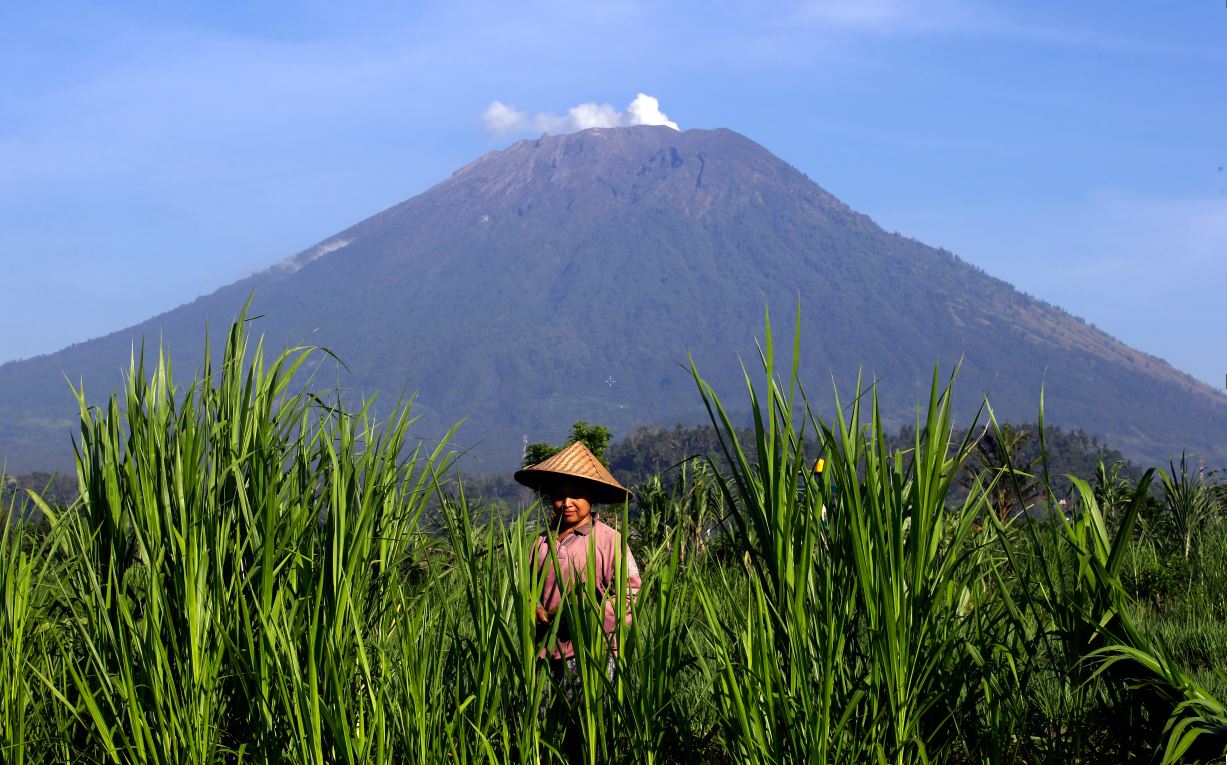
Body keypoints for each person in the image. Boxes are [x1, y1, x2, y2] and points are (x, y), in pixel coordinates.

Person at [514, 441, 641, 701]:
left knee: (587, 730)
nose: (567, 502)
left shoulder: (610, 541)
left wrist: (585, 614)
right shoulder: (539, 543)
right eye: (560, 495)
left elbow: (630, 596)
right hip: (544, 654)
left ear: (591, 496)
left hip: (594, 654)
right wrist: (532, 607)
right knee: (543, 727)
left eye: (576, 494)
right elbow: (524, 589)